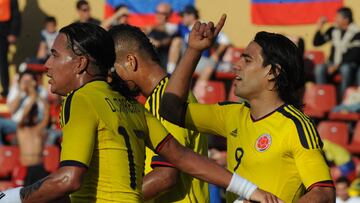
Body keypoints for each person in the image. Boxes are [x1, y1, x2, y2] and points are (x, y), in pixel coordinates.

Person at [0, 22, 282, 203]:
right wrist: (250, 190)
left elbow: (69, 178)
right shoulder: (134, 105)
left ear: (80, 64)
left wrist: (11, 197)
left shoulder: (83, 99)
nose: (47, 64)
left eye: (55, 55)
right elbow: (183, 158)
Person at [159, 18, 336, 202]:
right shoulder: (232, 114)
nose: (237, 65)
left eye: (247, 59)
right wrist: (194, 50)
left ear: (272, 72)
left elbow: (324, 193)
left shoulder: (295, 125)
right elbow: (170, 109)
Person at [109, 24, 209, 202]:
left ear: (130, 61)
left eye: (112, 69)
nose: (110, 78)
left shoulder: (166, 99)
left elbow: (166, 176)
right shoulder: (162, 97)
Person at [313, 7, 360, 99]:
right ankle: (324, 98)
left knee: (345, 69)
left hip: (348, 63)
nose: (335, 19)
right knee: (319, 68)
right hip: (332, 63)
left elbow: (355, 55)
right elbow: (317, 43)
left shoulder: (356, 33)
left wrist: (336, 66)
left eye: (337, 17)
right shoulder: (333, 30)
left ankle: (343, 100)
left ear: (346, 19)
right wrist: (320, 26)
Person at [146, 2, 178, 69]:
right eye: (157, 12)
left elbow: (170, 35)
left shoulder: (174, 27)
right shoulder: (151, 30)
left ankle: (170, 73)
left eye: (163, 13)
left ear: (169, 15)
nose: (159, 15)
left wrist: (159, 43)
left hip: (166, 65)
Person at [0, 0, 21, 97]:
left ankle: (5, 90)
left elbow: (15, 12)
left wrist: (13, 32)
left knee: (2, 60)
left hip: (4, 28)